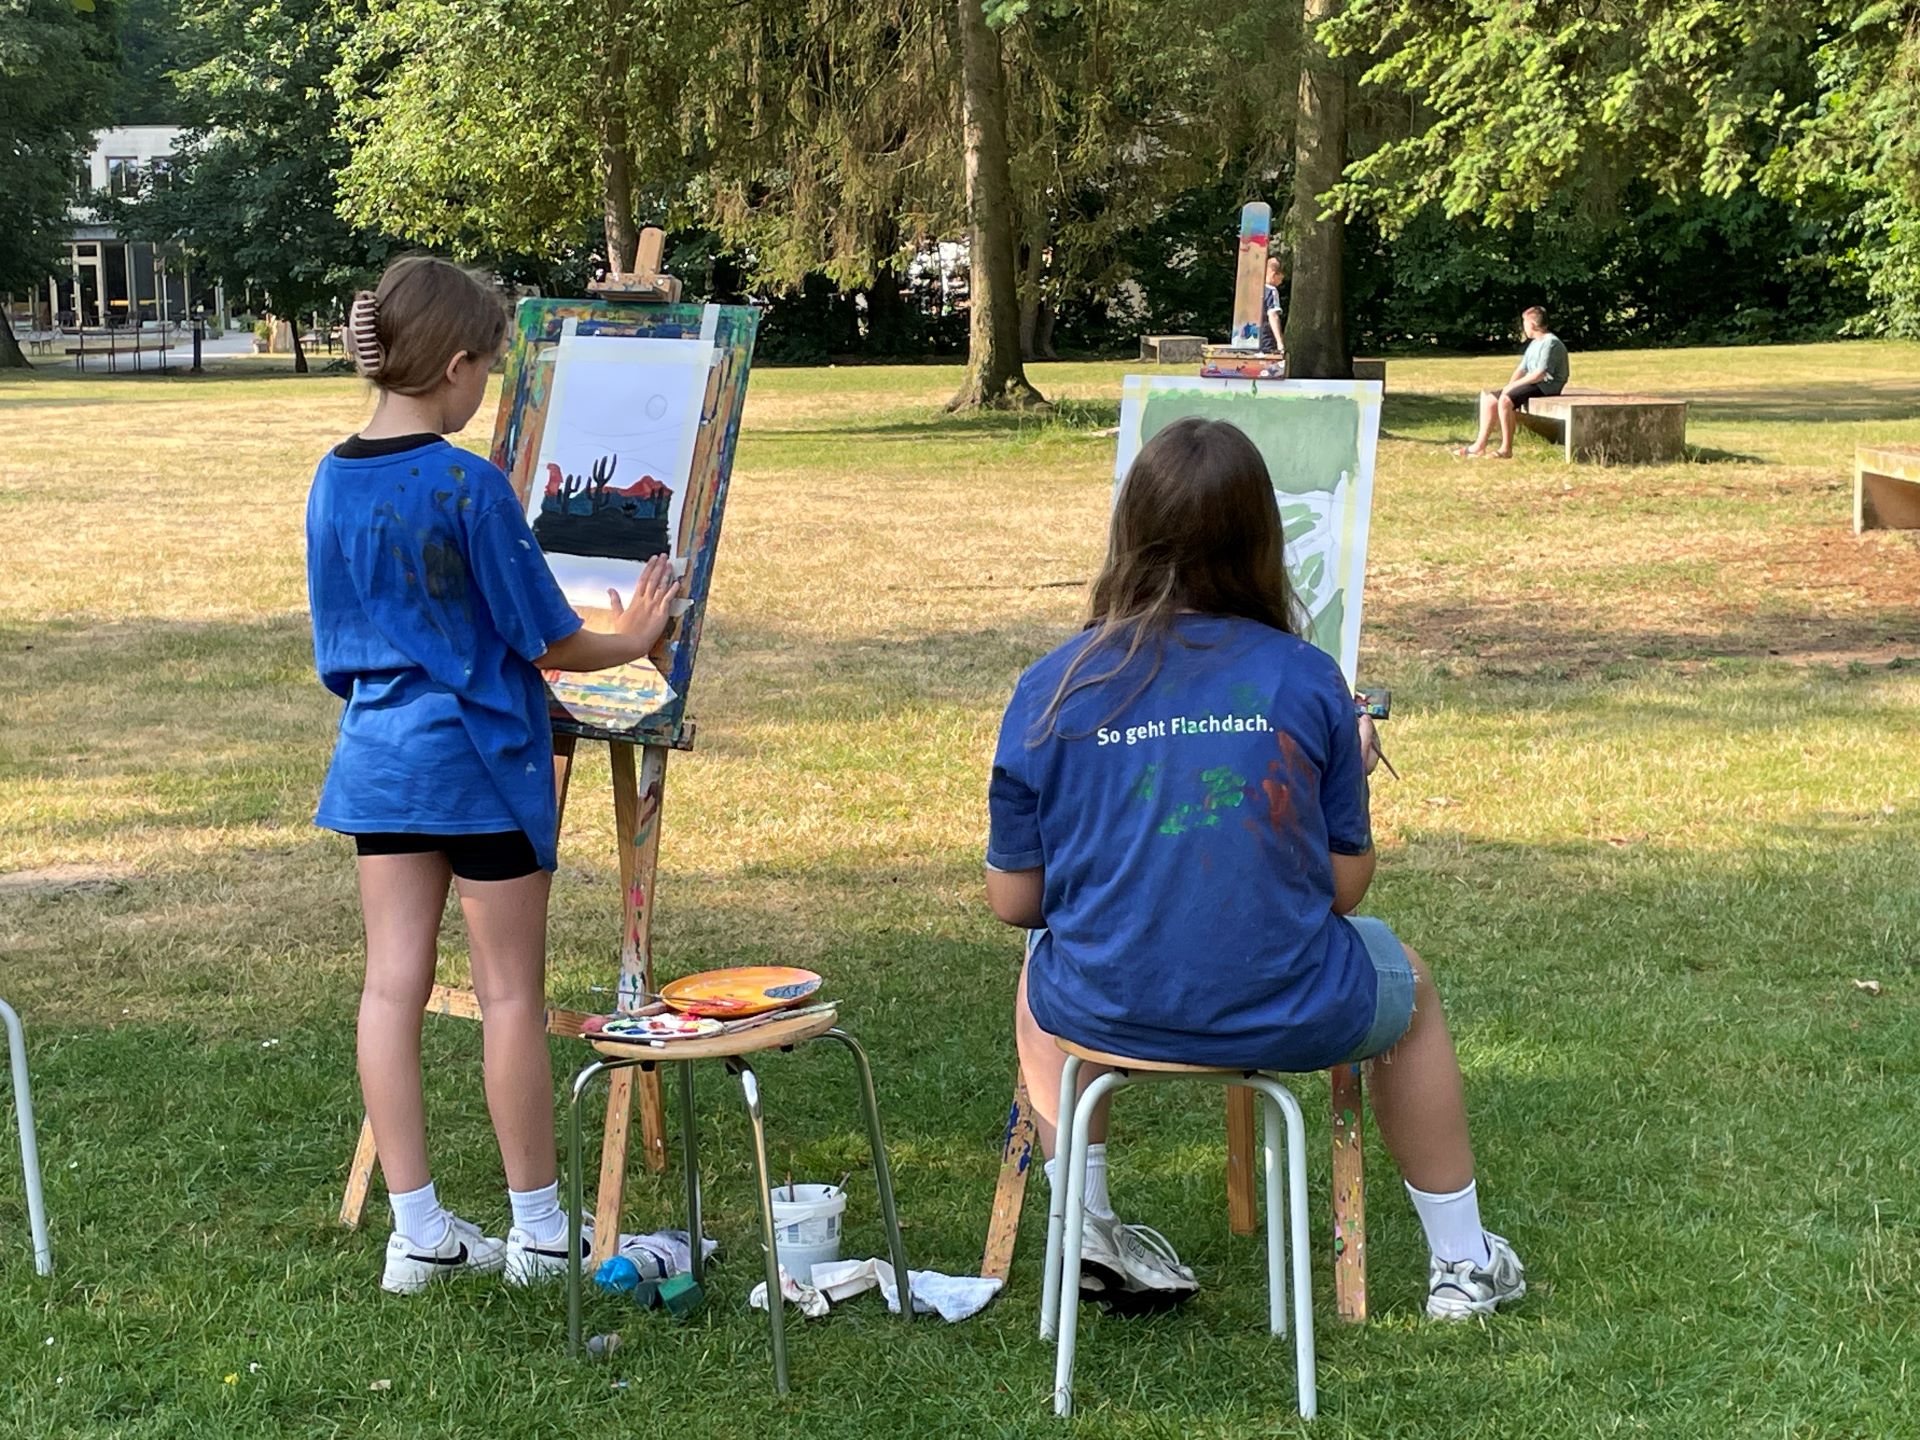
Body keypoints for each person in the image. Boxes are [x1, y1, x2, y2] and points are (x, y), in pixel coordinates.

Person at [985, 417, 1526, 1319]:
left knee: (1041, 962)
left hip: (1102, 1011)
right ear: (1264, 539)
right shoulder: (1308, 679)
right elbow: (1344, 891)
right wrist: (1339, 771)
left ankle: (1085, 1217)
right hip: (1293, 1008)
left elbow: (1014, 900)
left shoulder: (1053, 685)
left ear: (1128, 530)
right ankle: (1463, 1263)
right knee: (1411, 990)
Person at [310, 255, 677, 1294]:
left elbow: (337, 645)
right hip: (477, 761)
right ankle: (542, 1232)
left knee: (390, 988)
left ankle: (416, 1233)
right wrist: (638, 635)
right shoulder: (466, 484)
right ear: (455, 366)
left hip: (380, 761)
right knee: (510, 993)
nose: (488, 391)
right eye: (489, 370)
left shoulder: (332, 476)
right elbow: (545, 636)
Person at [1459, 306, 1569, 458]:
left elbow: (1540, 374)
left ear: (1532, 324)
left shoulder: (1550, 343)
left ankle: (1506, 449)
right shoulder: (1535, 343)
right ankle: (1479, 446)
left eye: (1524, 323)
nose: (1523, 327)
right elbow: (1522, 369)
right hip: (1534, 383)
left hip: (1547, 386)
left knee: (1505, 401)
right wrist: (1508, 387)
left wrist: (1512, 388)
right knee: (1490, 399)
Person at [1261, 256, 1287, 357]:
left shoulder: (1254, 289)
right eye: (1280, 278)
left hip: (1248, 340)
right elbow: (1273, 316)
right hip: (1266, 341)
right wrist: (1280, 343)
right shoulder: (1272, 291)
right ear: (1273, 274)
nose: (1281, 282)